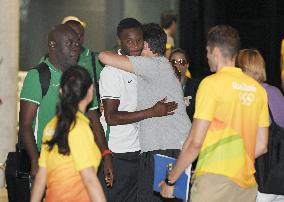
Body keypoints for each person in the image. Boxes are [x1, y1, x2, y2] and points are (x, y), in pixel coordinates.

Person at [160, 25, 269, 202]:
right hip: (246, 185)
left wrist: (171, 180)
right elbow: (262, 145)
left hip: (214, 183)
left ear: (215, 52)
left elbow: (195, 142)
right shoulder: (258, 90)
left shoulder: (211, 85)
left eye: (207, 51)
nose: (207, 56)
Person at [99, 23, 191, 202]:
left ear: (147, 45)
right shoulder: (161, 66)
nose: (135, 46)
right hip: (172, 146)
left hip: (164, 147)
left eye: (139, 41)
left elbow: (103, 56)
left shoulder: (150, 64)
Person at [19, 24, 112, 187]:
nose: (75, 48)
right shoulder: (38, 76)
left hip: (77, 159)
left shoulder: (81, 76)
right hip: (45, 158)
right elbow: (25, 124)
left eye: (77, 43)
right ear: (53, 45)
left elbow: (94, 120)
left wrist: (106, 155)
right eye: (69, 43)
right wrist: (35, 160)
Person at [30, 66, 106, 202]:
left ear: (61, 91)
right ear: (90, 92)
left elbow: (42, 174)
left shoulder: (52, 126)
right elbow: (89, 179)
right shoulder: (80, 128)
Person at [236, 48, 284, 202]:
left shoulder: (249, 95)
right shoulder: (276, 92)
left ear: (243, 69)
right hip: (280, 178)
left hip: (261, 178)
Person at [169, 48, 200, 122]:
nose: (177, 65)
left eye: (181, 62)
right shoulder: (162, 86)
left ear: (187, 65)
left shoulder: (196, 86)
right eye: (174, 62)